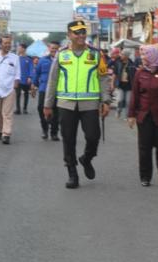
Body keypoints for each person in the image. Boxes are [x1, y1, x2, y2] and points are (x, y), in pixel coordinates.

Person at [44, 20, 111, 189]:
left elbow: (103, 78)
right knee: (68, 140)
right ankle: (72, 173)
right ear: (69, 35)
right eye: (77, 32)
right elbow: (53, 81)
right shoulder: (62, 54)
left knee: (93, 136)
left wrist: (106, 101)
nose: (81, 35)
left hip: (90, 104)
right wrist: (48, 105)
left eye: (83, 32)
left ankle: (87, 158)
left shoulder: (96, 54)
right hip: (66, 104)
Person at [127, 45, 158, 187]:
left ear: (153, 55)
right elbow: (135, 95)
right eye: (141, 55)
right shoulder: (140, 73)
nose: (142, 58)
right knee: (144, 146)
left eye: (145, 55)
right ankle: (145, 176)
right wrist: (131, 115)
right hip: (144, 115)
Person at [33, 41, 61, 141]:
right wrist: (35, 84)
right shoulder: (42, 60)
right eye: (52, 48)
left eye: (56, 48)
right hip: (44, 89)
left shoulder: (62, 60)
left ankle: (54, 133)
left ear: (59, 49)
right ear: (49, 49)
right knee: (41, 109)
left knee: (56, 112)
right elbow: (36, 73)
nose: (54, 50)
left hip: (57, 90)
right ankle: (45, 130)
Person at [113, 49, 136, 120]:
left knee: (128, 102)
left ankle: (127, 116)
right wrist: (112, 84)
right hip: (120, 85)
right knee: (120, 100)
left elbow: (135, 76)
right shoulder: (118, 62)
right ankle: (118, 111)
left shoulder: (132, 64)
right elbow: (115, 74)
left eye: (122, 54)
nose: (121, 55)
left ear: (126, 56)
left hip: (129, 86)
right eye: (121, 54)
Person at [15, 43, 33, 115]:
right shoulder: (16, 58)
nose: (18, 49)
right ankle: (18, 109)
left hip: (26, 79)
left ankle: (25, 109)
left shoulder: (28, 59)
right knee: (18, 94)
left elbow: (31, 68)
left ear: (23, 49)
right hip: (18, 79)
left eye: (19, 48)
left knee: (26, 94)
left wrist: (30, 77)